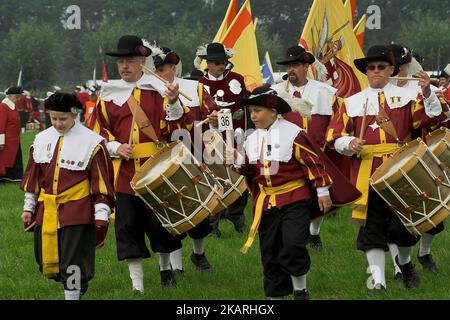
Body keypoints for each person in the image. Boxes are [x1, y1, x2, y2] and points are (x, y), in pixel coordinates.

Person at [327, 45, 446, 291]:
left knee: (402, 227)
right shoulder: (351, 103)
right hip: (367, 173)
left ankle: (405, 263)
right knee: (372, 228)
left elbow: (432, 118)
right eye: (371, 68)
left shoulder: (409, 98)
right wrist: (350, 142)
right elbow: (334, 136)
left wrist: (427, 92)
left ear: (392, 70)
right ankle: (378, 283)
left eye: (382, 67)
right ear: (366, 72)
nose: (376, 72)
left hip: (401, 169)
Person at [226, 86, 360, 300]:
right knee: (269, 252)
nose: (253, 116)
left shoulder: (293, 133)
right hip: (267, 203)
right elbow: (249, 171)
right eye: (251, 111)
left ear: (272, 111)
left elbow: (313, 163)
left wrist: (323, 191)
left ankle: (300, 290)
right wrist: (235, 158)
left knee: (292, 244)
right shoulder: (251, 138)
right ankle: (275, 297)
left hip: (295, 199)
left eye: (257, 111)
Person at [89, 35, 193, 292]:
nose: (124, 66)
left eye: (130, 61)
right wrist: (114, 146)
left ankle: (165, 268)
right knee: (127, 229)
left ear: (143, 62)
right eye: (121, 61)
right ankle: (138, 286)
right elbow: (97, 131)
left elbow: (178, 129)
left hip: (157, 169)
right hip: (124, 175)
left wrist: (173, 103)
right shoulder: (108, 95)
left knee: (161, 226)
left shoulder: (159, 90)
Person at [20, 92, 115, 300]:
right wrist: (29, 208)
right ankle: (74, 289)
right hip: (47, 211)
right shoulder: (41, 139)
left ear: (75, 115)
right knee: (46, 260)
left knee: (74, 261)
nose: (58, 123)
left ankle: (72, 294)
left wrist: (101, 214)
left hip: (77, 210)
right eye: (53, 118)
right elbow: (33, 178)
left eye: (62, 119)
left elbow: (101, 182)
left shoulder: (92, 143)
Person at [150, 44, 220, 275]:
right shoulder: (148, 93)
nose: (164, 73)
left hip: (194, 155)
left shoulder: (196, 89)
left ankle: (198, 254)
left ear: (175, 68)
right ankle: (176, 267)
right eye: (159, 70)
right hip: (163, 159)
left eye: (168, 68)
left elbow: (217, 113)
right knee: (172, 211)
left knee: (200, 211)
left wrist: (214, 117)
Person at [272, 44, 347, 251]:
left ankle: (314, 233)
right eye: (288, 66)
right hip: (286, 156)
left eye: (295, 65)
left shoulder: (325, 92)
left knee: (319, 195)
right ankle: (298, 236)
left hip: (317, 153)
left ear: (306, 66)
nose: (291, 70)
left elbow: (337, 121)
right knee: (296, 197)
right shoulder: (276, 92)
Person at [195, 42, 250, 237]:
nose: (220, 66)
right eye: (216, 63)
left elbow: (243, 107)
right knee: (214, 179)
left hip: (237, 139)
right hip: (210, 141)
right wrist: (210, 119)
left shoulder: (237, 79)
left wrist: (223, 118)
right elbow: (195, 114)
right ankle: (212, 224)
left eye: (223, 62)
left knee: (242, 175)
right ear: (207, 63)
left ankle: (236, 214)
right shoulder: (199, 85)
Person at [0, 86, 24, 183]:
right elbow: (1, 125)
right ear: (11, 96)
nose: (19, 99)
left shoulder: (12, 106)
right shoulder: (3, 107)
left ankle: (14, 178)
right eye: (18, 97)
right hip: (7, 141)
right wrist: (1, 141)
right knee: (5, 160)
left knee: (15, 159)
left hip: (14, 140)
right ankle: (5, 177)